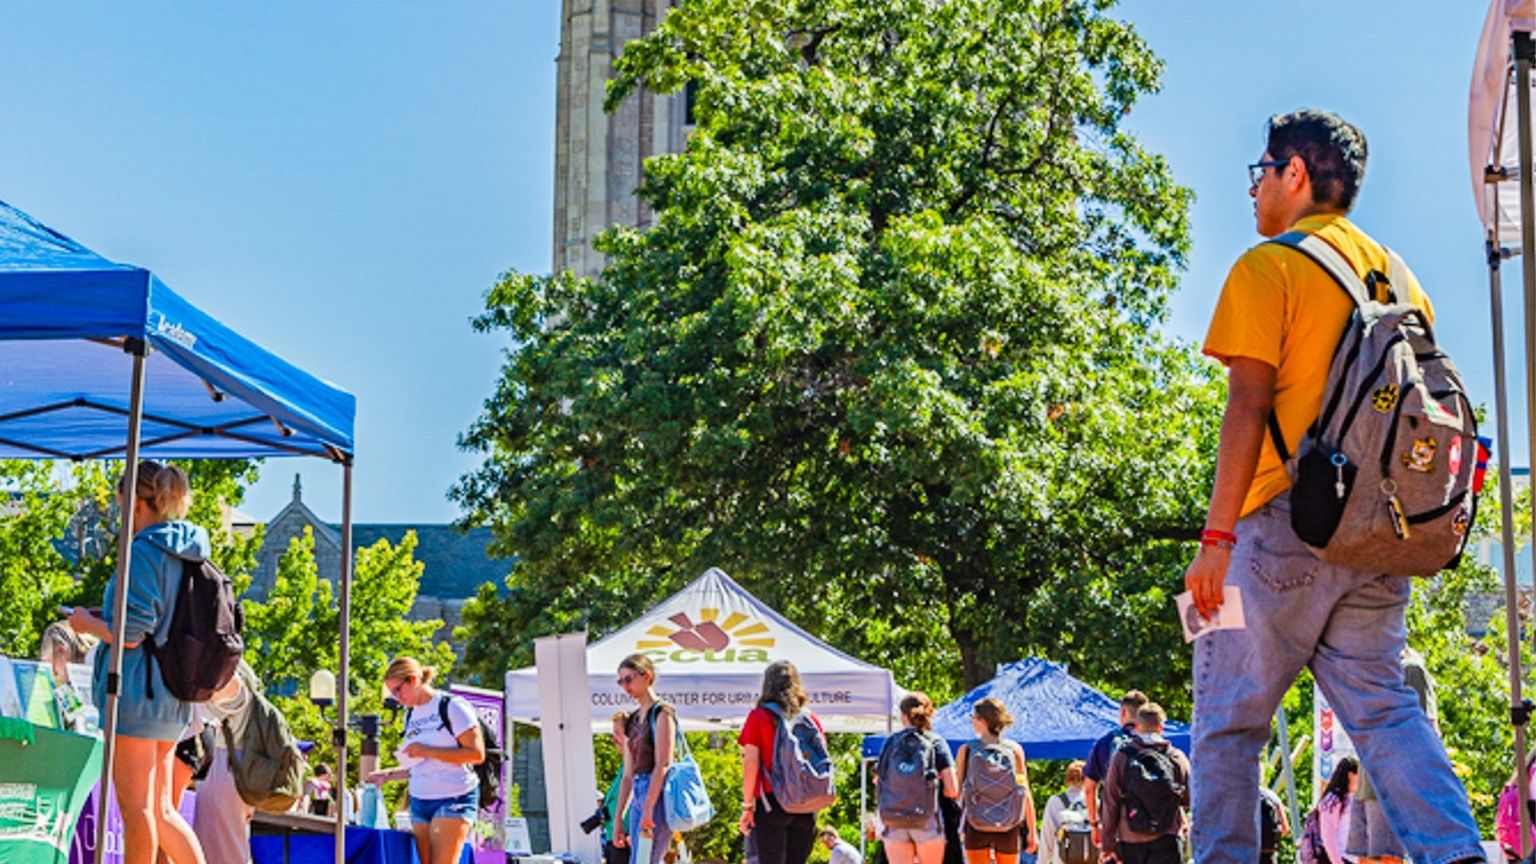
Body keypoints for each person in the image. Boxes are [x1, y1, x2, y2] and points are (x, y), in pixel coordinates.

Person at [1184, 108, 1484, 864]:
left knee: (1227, 725)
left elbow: (1248, 404)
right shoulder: (1402, 278)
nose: (1254, 190)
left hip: (1277, 531)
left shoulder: (1269, 268)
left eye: (1262, 170)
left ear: (1295, 174)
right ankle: (1455, 853)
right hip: (1378, 535)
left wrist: (1216, 540)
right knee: (1386, 715)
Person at [67, 461, 207, 864]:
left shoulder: (146, 550)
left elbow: (131, 634)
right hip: (171, 694)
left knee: (136, 807)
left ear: (135, 502)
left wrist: (86, 625)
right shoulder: (186, 549)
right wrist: (103, 618)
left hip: (136, 695)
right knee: (162, 809)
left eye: (120, 504)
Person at [366, 656, 486, 864]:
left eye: (397, 690)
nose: (396, 698)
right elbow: (418, 762)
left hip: (454, 796)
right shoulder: (409, 715)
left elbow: (476, 754)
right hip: (420, 799)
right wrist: (389, 774)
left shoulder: (452, 706)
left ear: (413, 680)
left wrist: (428, 751)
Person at [1348, 648, 1436, 864]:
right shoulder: (1381, 671)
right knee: (1376, 855)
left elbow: (1418, 726)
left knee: (1381, 855)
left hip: (1382, 779)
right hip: (1377, 779)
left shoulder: (1403, 670)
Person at [739, 660, 827, 864]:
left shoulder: (759, 717)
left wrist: (748, 806)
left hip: (772, 801)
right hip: (805, 803)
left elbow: (750, 764)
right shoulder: (810, 719)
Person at [190, 662, 262, 864]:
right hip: (239, 761)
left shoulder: (224, 667)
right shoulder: (242, 670)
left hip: (223, 759)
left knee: (217, 843)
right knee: (233, 839)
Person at [1099, 704, 1189, 864]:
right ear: (1161, 727)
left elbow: (1111, 801)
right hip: (1167, 835)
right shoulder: (1175, 757)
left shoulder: (1122, 757)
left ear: (1137, 727)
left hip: (1131, 838)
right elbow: (1190, 798)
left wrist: (1108, 844)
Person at [876, 692, 959, 864]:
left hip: (894, 819)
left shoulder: (891, 742)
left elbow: (879, 781)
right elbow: (952, 789)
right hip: (927, 819)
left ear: (903, 715)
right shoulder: (936, 742)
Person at [954, 697, 1036, 864]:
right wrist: (1032, 831)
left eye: (973, 718)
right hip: (1009, 825)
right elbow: (1024, 792)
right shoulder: (1014, 750)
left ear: (982, 721)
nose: (972, 722)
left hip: (976, 824)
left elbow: (956, 793)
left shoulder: (967, 749)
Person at [614, 653, 676, 864]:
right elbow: (627, 775)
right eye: (621, 681)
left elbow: (663, 763)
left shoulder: (662, 712)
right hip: (639, 792)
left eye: (629, 679)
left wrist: (649, 807)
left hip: (656, 793)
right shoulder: (632, 719)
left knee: (646, 860)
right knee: (638, 860)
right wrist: (617, 820)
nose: (625, 686)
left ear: (647, 676)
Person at [1083, 692, 1147, 851]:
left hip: (1116, 823)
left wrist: (1094, 824)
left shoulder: (1105, 743)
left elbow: (1089, 789)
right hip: (1154, 823)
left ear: (1123, 712)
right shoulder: (1155, 742)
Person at [1039, 761, 1089, 864]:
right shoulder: (1095, 803)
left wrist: (1042, 861)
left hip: (1062, 859)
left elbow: (1046, 836)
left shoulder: (1055, 801)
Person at [1318, 757, 1360, 864]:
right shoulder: (1333, 799)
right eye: (1359, 775)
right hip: (1338, 858)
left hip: (1350, 859)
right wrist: (1337, 861)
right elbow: (1328, 834)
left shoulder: (1351, 797)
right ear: (1350, 775)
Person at [604, 711, 632, 864]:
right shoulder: (624, 767)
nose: (614, 739)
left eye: (618, 734)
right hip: (614, 839)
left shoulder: (634, 766)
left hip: (625, 839)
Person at [1257, 785, 1288, 864]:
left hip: (1249, 853)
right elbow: (1285, 829)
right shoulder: (1272, 796)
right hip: (1269, 854)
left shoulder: (1241, 796)